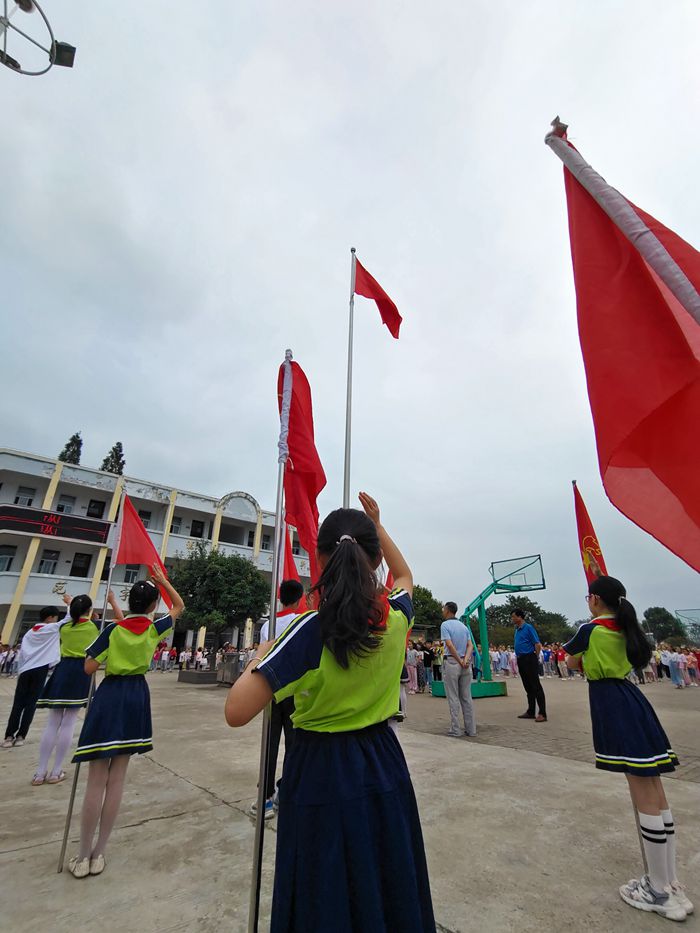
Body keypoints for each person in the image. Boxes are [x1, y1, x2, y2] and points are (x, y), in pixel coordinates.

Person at [224, 492, 435, 933]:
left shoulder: (307, 631)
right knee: (386, 877)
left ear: (318, 561)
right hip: (383, 761)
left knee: (326, 892)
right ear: (373, 561)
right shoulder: (395, 618)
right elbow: (406, 574)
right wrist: (377, 525)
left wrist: (259, 657)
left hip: (320, 766)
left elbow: (236, 711)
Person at [563, 576, 691, 921]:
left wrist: (585, 658)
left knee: (642, 788)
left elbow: (570, 662)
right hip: (632, 697)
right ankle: (669, 882)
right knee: (654, 786)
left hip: (610, 702)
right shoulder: (626, 628)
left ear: (594, 600)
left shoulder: (590, 629)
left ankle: (659, 891)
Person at [67, 566, 184, 879]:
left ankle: (81, 857)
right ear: (152, 606)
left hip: (109, 694)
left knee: (95, 779)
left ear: (129, 601)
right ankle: (99, 854)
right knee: (117, 777)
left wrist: (107, 654)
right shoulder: (152, 628)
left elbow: (89, 667)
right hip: (135, 694)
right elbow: (179, 607)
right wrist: (164, 582)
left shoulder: (112, 631)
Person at [32, 591, 121, 785]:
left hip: (62, 670)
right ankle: (56, 771)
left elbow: (70, 614)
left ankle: (40, 772)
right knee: (69, 721)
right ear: (90, 611)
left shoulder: (63, 626)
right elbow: (120, 621)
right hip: (82, 670)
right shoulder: (94, 626)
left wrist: (70, 602)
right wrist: (112, 601)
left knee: (52, 723)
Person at [250, 579, 306, 820]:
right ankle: (288, 793)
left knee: (269, 744)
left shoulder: (268, 625)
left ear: (281, 597)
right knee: (295, 745)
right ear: (299, 598)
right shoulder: (301, 622)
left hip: (271, 690)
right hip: (294, 692)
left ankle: (265, 798)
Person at [3, 605, 62, 748]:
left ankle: (9, 736)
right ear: (50, 618)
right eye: (55, 617)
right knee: (31, 704)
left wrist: (20, 670)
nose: (56, 620)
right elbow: (69, 618)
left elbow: (23, 653)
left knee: (18, 703)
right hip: (40, 669)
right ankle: (21, 736)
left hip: (25, 670)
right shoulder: (51, 628)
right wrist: (69, 602)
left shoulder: (29, 632)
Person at [440, 602, 476, 738]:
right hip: (465, 664)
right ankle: (471, 729)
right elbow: (470, 645)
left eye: (444, 608)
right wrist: (465, 659)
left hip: (452, 662)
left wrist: (459, 660)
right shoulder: (463, 626)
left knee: (453, 696)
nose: (443, 610)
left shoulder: (445, 625)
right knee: (467, 697)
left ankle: (455, 729)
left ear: (448, 610)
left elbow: (449, 644)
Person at [512, 608, 547, 722]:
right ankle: (531, 711)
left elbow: (537, 644)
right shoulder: (517, 629)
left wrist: (535, 657)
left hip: (529, 658)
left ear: (520, 617)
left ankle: (542, 713)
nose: (512, 619)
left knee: (536, 685)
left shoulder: (528, 628)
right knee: (527, 686)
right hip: (521, 659)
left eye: (513, 616)